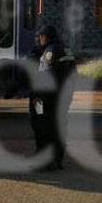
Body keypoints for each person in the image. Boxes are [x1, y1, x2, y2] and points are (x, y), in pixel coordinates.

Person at [28, 25, 76, 171]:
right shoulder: (67, 49)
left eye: (41, 37)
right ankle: (58, 160)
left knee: (43, 128)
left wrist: (37, 96)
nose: (39, 40)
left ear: (46, 37)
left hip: (48, 98)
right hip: (65, 96)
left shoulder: (50, 51)